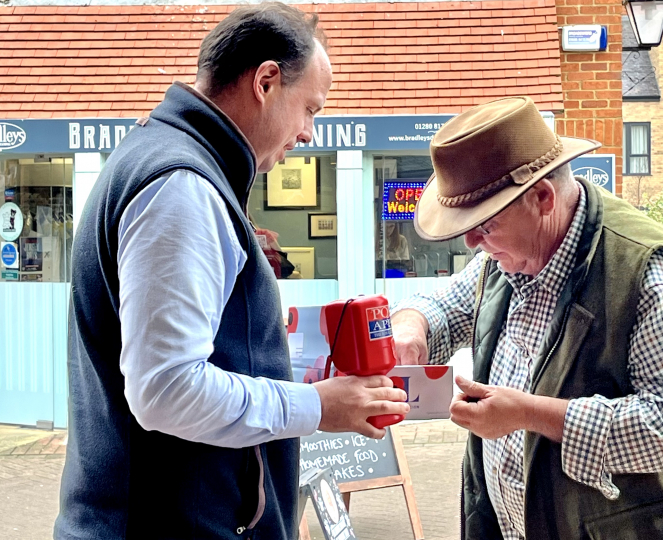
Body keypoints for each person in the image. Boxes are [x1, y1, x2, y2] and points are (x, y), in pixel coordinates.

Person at [55, 5, 408, 540]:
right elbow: (167, 390)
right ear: (266, 81)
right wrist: (317, 405)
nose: (310, 133)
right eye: (310, 109)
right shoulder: (181, 185)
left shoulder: (171, 163)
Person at [391, 97, 663, 540]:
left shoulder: (650, 275)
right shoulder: (506, 258)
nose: (470, 242)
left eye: (484, 224)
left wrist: (530, 414)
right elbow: (444, 307)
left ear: (543, 198)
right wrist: (411, 325)